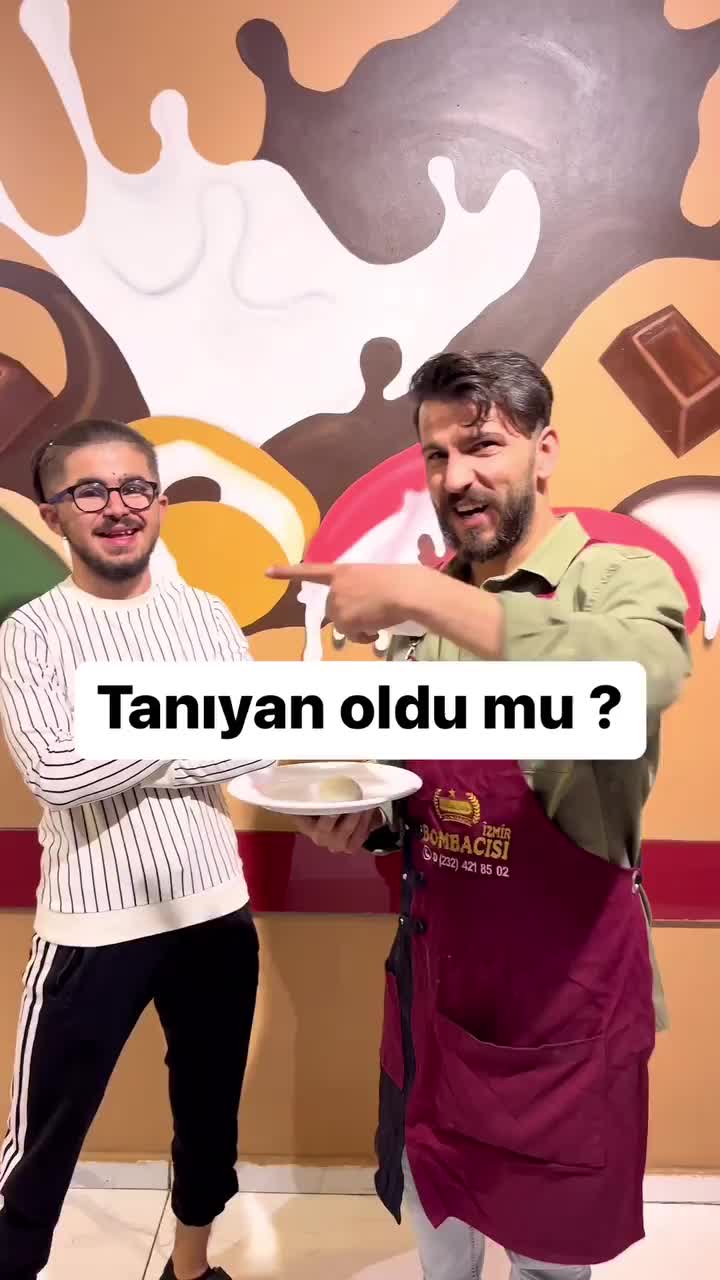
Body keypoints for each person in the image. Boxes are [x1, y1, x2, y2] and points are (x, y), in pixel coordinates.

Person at [268, 350, 692, 1280]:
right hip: (433, 984)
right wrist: (366, 823)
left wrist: (424, 591)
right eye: (436, 455)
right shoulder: (420, 630)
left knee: (547, 1260)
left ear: (545, 450)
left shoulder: (618, 580)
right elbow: (416, 788)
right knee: (441, 1235)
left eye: (483, 445)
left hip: (563, 999)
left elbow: (640, 678)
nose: (456, 477)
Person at [0, 419, 275, 1280]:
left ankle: (188, 1271)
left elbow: (253, 743)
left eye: (135, 488)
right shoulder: (32, 632)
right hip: (92, 927)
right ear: (54, 514)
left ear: (158, 503)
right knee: (40, 1146)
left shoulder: (206, 616)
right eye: (90, 491)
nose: (116, 507)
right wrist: (190, 728)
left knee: (209, 1119)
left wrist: (118, 731)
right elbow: (55, 772)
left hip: (214, 912)